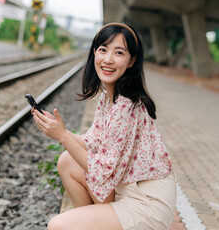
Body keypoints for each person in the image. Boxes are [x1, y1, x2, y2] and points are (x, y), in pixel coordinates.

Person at [31, 22, 177, 230]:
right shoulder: (110, 98)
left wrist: (63, 136)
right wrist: (58, 129)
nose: (108, 59)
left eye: (119, 53)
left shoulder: (126, 105)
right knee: (67, 161)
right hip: (125, 188)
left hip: (146, 204)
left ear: (131, 61)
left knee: (57, 226)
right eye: (103, 50)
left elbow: (100, 172)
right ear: (94, 53)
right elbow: (92, 142)